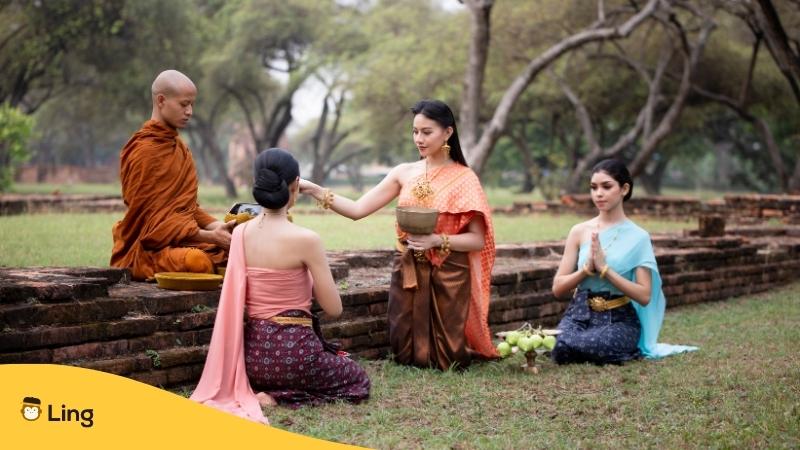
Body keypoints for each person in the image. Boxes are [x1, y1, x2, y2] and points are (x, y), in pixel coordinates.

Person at [300, 99, 497, 371]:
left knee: (449, 357)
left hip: (449, 272)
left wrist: (437, 240)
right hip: (408, 266)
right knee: (404, 351)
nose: (419, 139)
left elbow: (477, 240)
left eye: (427, 132)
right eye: (415, 131)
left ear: (448, 132)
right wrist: (314, 190)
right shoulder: (404, 172)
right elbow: (358, 209)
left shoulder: (464, 178)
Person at [191, 148, 370, 423]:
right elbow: (333, 309)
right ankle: (281, 396)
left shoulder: (240, 233)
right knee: (356, 378)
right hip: (296, 356)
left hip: (250, 362)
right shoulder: (306, 239)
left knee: (289, 370)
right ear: (295, 185)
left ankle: (267, 391)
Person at [550, 159, 697, 365]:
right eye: (594, 188)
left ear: (624, 189)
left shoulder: (638, 237)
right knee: (558, 346)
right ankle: (578, 346)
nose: (598, 193)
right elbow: (558, 288)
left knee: (595, 345)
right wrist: (585, 270)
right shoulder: (579, 231)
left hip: (618, 318)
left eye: (606, 186)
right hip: (579, 315)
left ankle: (610, 347)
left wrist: (605, 270)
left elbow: (644, 295)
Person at [111, 69, 233, 280]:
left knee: (238, 253)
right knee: (197, 262)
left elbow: (188, 208)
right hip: (146, 249)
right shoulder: (144, 151)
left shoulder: (180, 148)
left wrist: (218, 227)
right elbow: (151, 226)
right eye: (184, 104)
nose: (190, 111)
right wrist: (211, 237)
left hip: (182, 239)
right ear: (161, 101)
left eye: (192, 105)